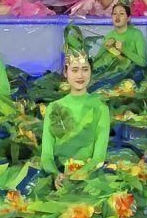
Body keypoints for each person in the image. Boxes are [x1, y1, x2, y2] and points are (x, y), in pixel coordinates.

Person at [39, 28, 111, 175]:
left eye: (85, 69)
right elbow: (46, 156)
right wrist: (56, 175)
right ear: (65, 73)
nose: (80, 75)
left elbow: (98, 158)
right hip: (59, 175)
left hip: (89, 176)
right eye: (75, 70)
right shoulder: (54, 107)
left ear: (91, 71)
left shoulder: (100, 108)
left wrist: (77, 176)